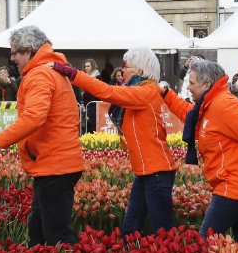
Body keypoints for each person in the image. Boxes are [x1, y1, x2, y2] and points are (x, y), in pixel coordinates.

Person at [50, 48, 179, 237]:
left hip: (156, 171)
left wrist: (74, 74)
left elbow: (108, 92)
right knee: (130, 230)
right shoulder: (140, 92)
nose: (122, 70)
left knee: (164, 231)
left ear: (140, 72)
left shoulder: (146, 92)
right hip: (146, 171)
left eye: (127, 67)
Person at [0, 26, 84, 246]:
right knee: (38, 232)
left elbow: (34, 117)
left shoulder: (40, 74)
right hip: (53, 163)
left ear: (28, 50)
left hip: (55, 164)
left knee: (56, 237)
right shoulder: (49, 70)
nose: (11, 57)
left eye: (14, 52)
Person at [162, 59, 238, 241]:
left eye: (192, 83)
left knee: (203, 244)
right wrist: (166, 95)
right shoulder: (209, 105)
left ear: (206, 84)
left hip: (234, 186)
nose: (188, 87)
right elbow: (190, 115)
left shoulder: (224, 105)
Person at [79, 58, 102, 133]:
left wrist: (85, 93)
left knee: (93, 128)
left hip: (94, 107)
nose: (86, 68)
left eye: (88, 66)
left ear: (93, 66)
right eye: (85, 66)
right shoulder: (85, 77)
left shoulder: (97, 77)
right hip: (87, 106)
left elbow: (96, 92)